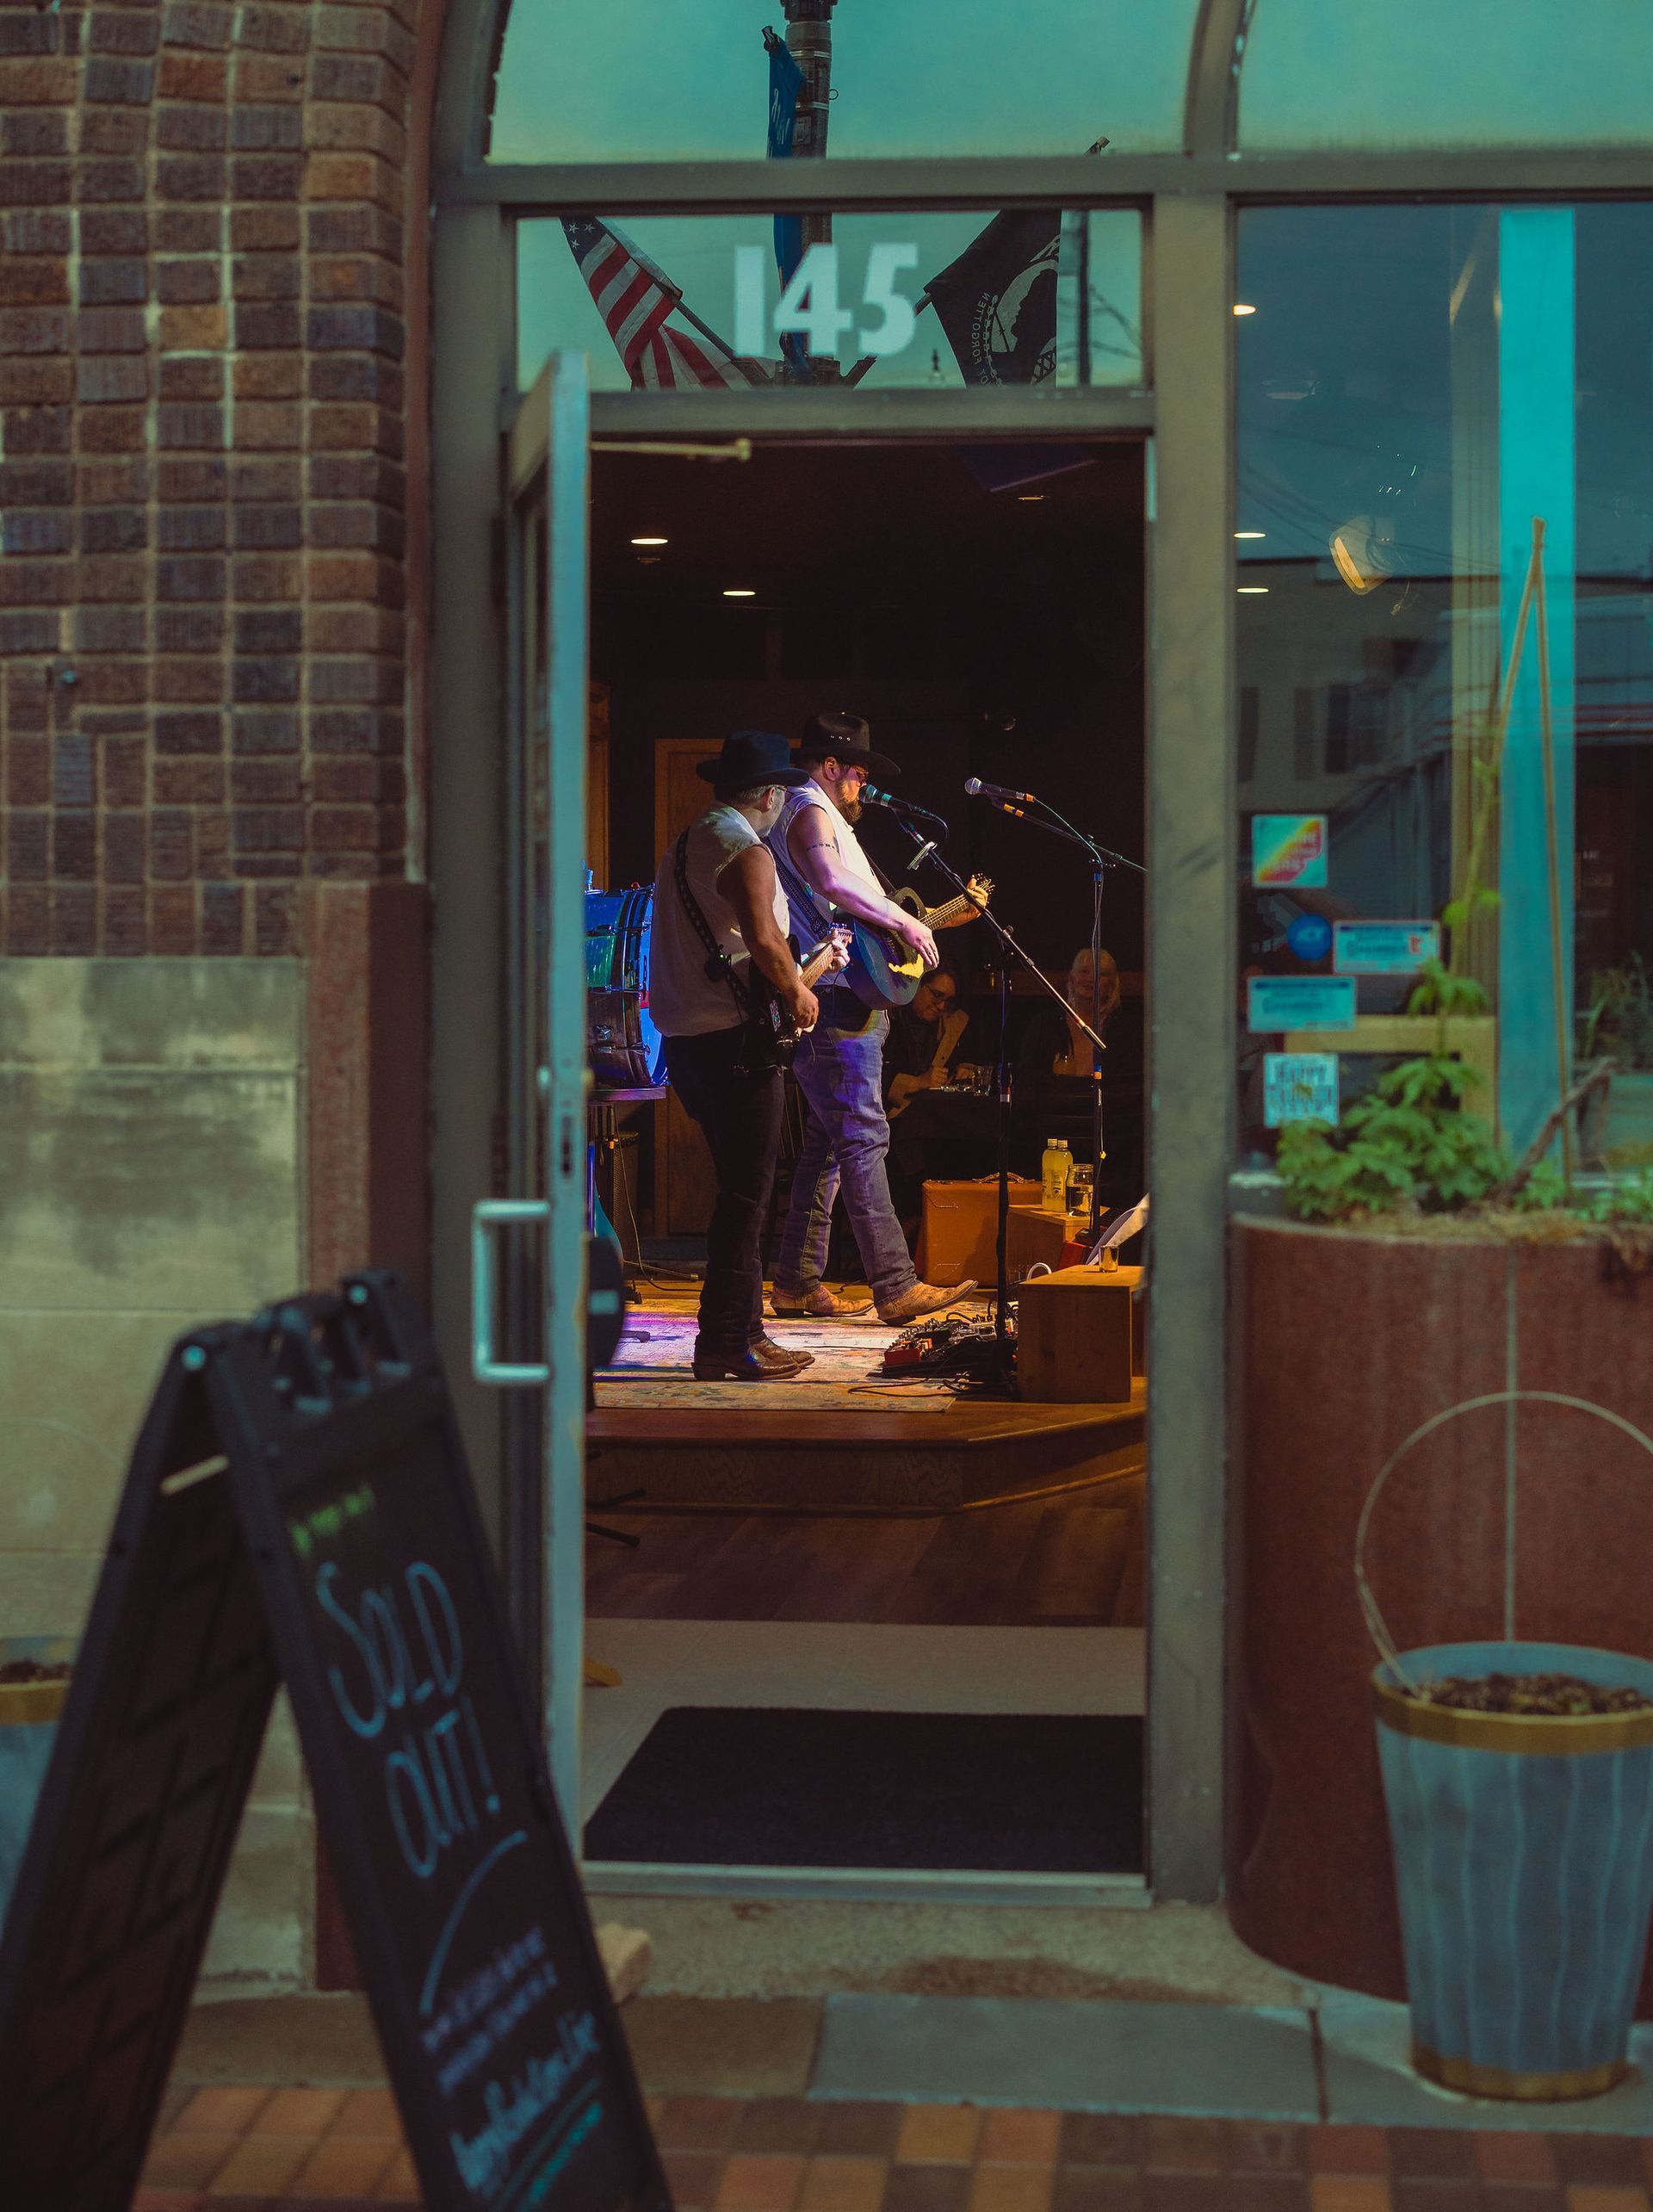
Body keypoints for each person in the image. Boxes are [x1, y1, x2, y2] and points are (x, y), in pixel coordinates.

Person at [765, 710, 976, 1323]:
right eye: (855, 772)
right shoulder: (808, 807)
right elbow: (830, 879)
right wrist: (906, 920)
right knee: (864, 1134)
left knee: (830, 1146)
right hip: (834, 996)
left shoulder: (815, 811)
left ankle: (797, 1281)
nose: (860, 783)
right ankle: (895, 1283)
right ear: (829, 766)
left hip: (838, 993)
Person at [649, 729, 845, 1382]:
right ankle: (728, 1341)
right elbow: (763, 940)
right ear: (767, 795)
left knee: (738, 1191)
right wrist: (798, 988)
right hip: (737, 1048)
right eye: (781, 797)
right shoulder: (747, 850)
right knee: (748, 1196)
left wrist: (793, 973)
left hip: (687, 1047)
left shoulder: (683, 847)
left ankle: (741, 1334)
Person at [1013, 945, 1144, 1208]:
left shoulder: (1130, 1030)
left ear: (1114, 983)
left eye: (1101, 973)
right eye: (1084, 971)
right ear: (1071, 979)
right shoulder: (1045, 1025)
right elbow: (1027, 1084)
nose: (1091, 978)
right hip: (1052, 1147)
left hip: (1113, 1149)